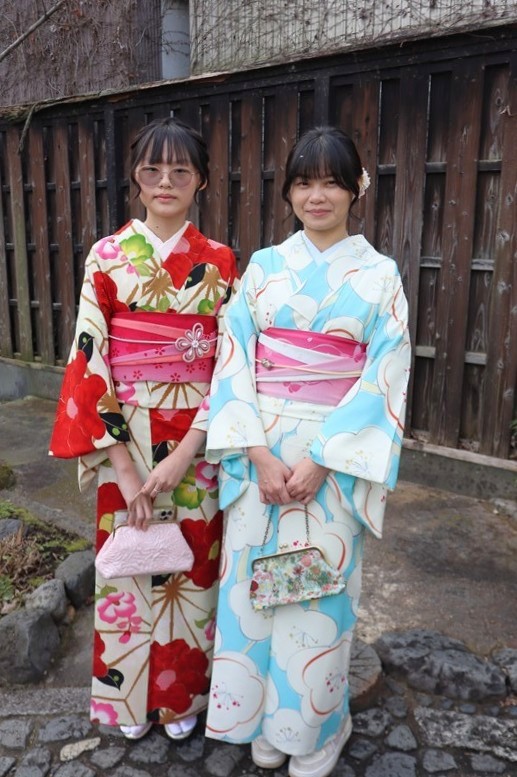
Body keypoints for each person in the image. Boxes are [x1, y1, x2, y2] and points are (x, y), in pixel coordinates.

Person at [203, 126, 411, 777]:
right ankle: (263, 720)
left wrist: (322, 458)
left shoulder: (379, 276)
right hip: (259, 455)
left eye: (330, 182)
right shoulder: (264, 268)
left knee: (316, 597)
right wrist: (257, 453)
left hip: (332, 462)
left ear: (356, 189)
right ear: (288, 191)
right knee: (252, 592)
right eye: (303, 182)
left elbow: (385, 373)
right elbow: (232, 358)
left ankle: (316, 725)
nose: (316, 195)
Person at [49, 117, 238, 741]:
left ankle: (181, 701)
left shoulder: (219, 262)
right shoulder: (106, 257)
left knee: (193, 566)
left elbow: (230, 364)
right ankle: (128, 702)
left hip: (196, 436)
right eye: (153, 169)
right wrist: (124, 467)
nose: (165, 182)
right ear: (135, 176)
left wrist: (190, 449)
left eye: (181, 171)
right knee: (127, 564)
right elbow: (89, 356)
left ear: (201, 180)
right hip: (123, 433)